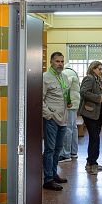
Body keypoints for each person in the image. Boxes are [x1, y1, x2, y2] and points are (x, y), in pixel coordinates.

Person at [41, 52, 69, 191]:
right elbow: (40, 98)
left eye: (62, 61)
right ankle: (48, 179)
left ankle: (53, 174)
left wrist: (69, 102)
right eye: (57, 61)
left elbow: (65, 95)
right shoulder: (45, 77)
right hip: (51, 119)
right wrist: (48, 115)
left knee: (58, 149)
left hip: (63, 118)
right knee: (50, 149)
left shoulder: (64, 77)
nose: (60, 64)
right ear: (51, 62)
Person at [79, 61, 102, 175]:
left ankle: (90, 162)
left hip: (97, 113)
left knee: (94, 138)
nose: (101, 71)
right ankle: (93, 163)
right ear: (92, 68)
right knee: (95, 138)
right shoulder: (89, 78)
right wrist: (98, 98)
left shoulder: (97, 80)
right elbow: (83, 92)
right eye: (99, 69)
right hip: (89, 113)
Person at [58, 65, 81, 163]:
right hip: (75, 104)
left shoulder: (65, 73)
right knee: (73, 128)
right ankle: (73, 152)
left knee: (68, 128)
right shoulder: (74, 73)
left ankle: (65, 154)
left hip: (69, 104)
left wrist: (66, 101)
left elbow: (65, 87)